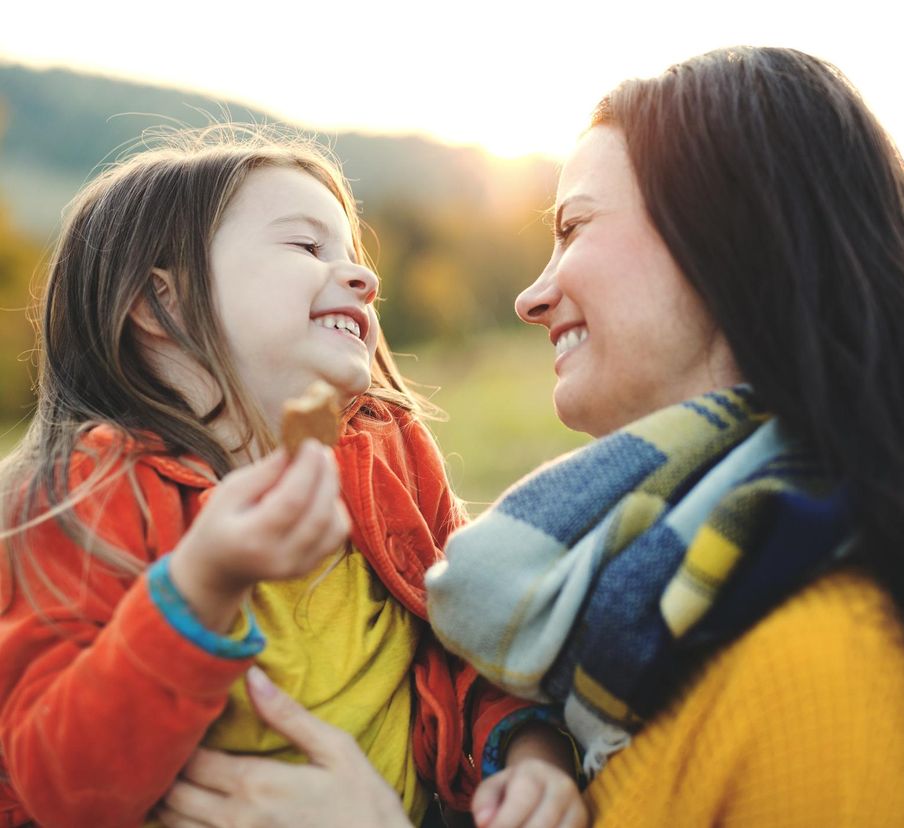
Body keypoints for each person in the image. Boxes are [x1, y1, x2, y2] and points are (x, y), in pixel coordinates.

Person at [155, 46, 904, 826]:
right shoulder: (669, 605)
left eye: (573, 228)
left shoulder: (822, 669)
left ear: (727, 238)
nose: (531, 297)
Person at [0, 126, 585, 828]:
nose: (365, 279)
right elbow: (60, 788)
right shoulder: (83, 493)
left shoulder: (389, 453)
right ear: (161, 305)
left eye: (353, 254)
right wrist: (204, 585)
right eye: (309, 247)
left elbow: (466, 643)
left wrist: (530, 750)